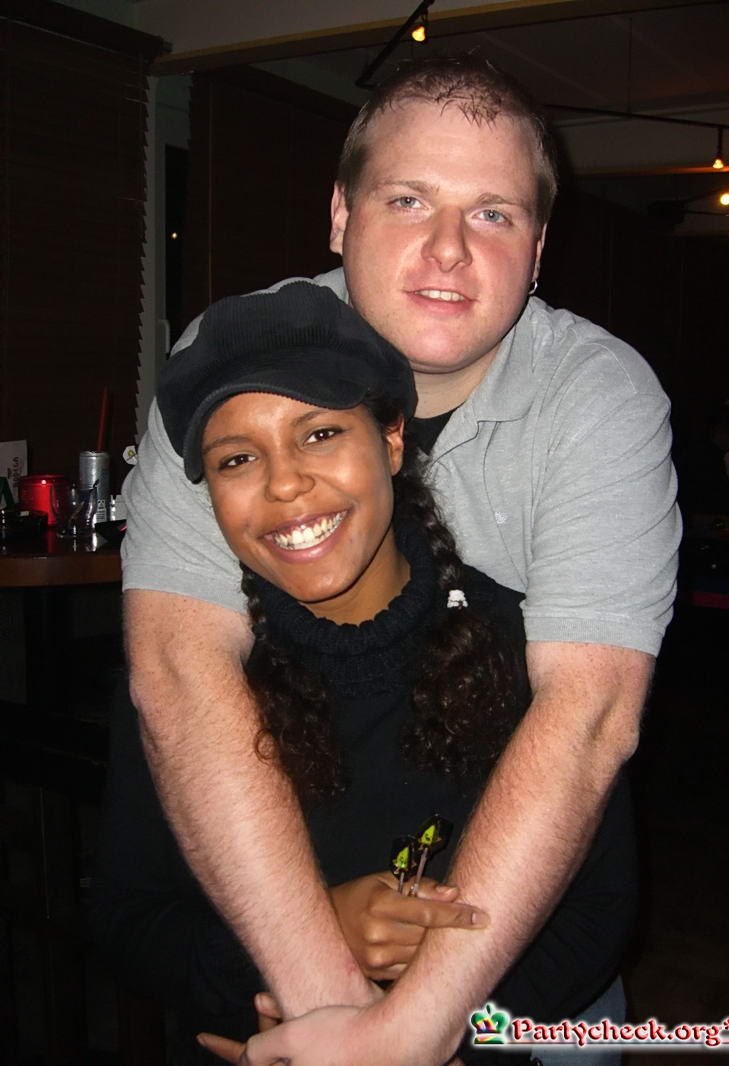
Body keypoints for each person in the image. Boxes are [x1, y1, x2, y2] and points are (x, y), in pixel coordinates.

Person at [121, 54, 679, 1065]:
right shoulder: (233, 367)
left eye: (493, 214)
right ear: (340, 216)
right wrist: (332, 1005)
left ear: (538, 247)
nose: (448, 249)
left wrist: (410, 1034)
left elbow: (589, 717)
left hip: (536, 971)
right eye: (408, 198)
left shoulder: (597, 397)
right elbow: (177, 670)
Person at [91, 282, 637, 1064]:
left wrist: (423, 1036)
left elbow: (596, 914)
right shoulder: (194, 684)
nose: (284, 483)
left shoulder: (519, 645)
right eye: (237, 459)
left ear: (391, 440)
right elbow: (130, 919)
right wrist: (315, 949)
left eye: (319, 434)